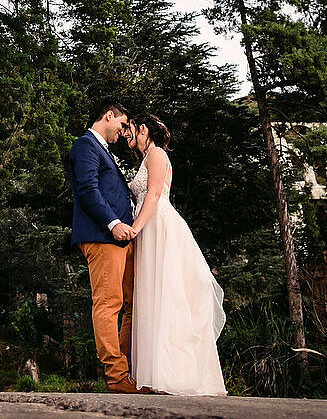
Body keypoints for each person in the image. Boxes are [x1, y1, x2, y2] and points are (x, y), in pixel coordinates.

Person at [123, 112, 228, 396]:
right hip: (150, 228)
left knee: (168, 295)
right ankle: (156, 375)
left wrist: (134, 229)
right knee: (153, 297)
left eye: (131, 129)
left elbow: (154, 195)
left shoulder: (156, 155)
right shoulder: (146, 158)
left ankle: (176, 374)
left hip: (159, 226)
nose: (127, 134)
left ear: (143, 129)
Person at [65, 99, 138, 393]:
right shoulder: (85, 146)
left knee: (132, 304)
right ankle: (117, 377)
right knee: (108, 305)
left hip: (120, 239)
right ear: (108, 116)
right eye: (121, 125)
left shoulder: (103, 150)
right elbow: (87, 190)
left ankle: (130, 373)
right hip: (102, 237)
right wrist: (113, 223)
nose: (123, 132)